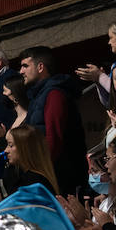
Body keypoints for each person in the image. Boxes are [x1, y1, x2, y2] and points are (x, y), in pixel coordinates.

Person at [18, 46, 87, 196]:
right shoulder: (39, 96)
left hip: (57, 181)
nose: (21, 71)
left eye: (25, 66)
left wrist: (39, 175)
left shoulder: (54, 94)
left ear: (40, 67)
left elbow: (53, 140)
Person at [74, 16, 116, 108]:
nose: (109, 42)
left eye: (111, 37)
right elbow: (109, 102)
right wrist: (98, 81)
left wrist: (100, 76)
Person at [0, 124, 60, 194]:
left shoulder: (33, 182)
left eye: (10, 145)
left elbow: (17, 204)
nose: (5, 150)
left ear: (25, 149)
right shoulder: (24, 175)